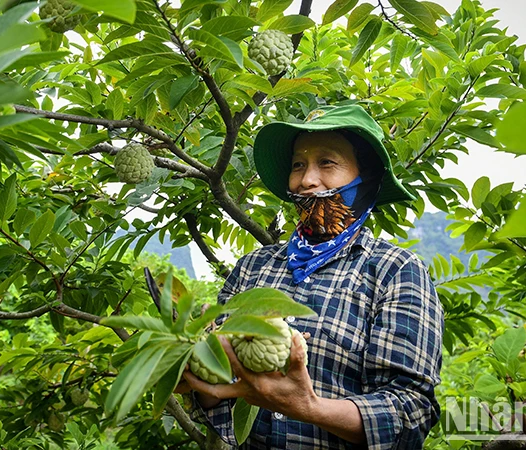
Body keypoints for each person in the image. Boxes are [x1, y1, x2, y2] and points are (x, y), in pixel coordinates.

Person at [177, 105, 444, 449]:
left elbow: (411, 413)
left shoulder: (395, 271)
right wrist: (202, 376)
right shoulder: (253, 268)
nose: (306, 180)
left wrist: (309, 407)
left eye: (327, 163)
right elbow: (225, 391)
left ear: (367, 179)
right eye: (298, 165)